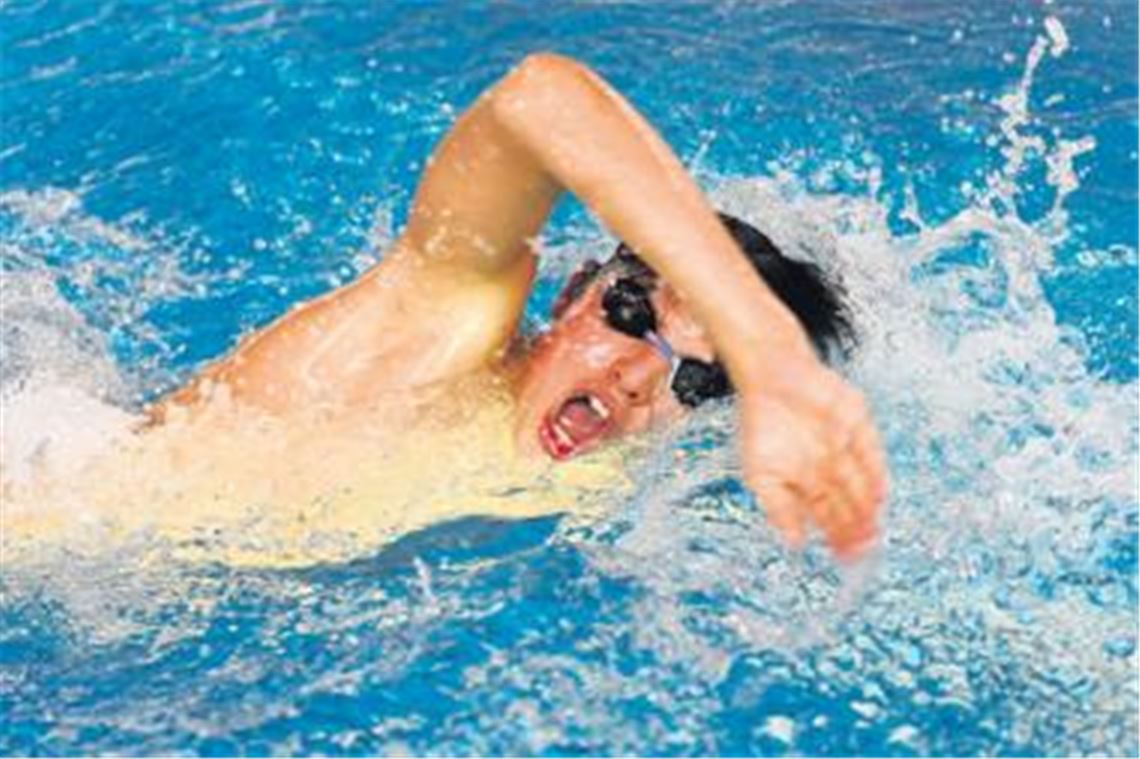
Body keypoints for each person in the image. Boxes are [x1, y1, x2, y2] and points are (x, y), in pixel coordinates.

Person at [153, 53, 888, 558]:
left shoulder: (602, 486)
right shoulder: (444, 332)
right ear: (571, 295)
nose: (638, 375)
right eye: (630, 316)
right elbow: (539, 97)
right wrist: (764, 349)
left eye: (697, 380)